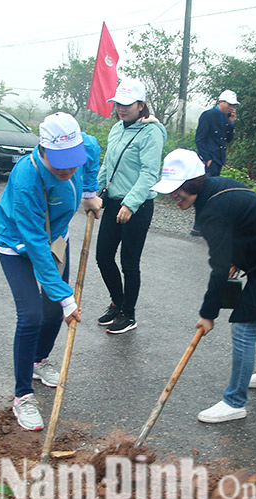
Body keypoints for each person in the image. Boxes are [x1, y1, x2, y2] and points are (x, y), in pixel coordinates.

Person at [153, 149, 256, 422]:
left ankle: (234, 402)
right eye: (170, 190)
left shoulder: (212, 210)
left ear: (192, 183)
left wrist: (208, 315)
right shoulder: (216, 186)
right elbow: (245, 225)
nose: (173, 196)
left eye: (177, 190)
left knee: (244, 324)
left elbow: (218, 269)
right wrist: (235, 257)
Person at [0, 112, 102, 430]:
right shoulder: (27, 179)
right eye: (62, 163)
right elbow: (36, 246)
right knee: (31, 316)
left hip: (56, 237)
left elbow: (91, 155)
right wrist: (66, 297)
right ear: (43, 150)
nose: (70, 169)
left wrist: (90, 193)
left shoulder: (85, 147)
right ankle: (22, 396)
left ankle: (39, 360)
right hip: (19, 244)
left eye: (74, 161)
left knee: (53, 312)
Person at [95, 78, 167, 334]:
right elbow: (107, 165)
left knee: (129, 262)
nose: (121, 109)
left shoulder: (152, 132)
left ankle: (129, 314)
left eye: (127, 104)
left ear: (141, 104)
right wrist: (96, 193)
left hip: (136, 207)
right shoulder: (117, 129)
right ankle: (118, 301)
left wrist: (131, 203)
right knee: (103, 256)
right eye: (118, 104)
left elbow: (149, 174)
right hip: (113, 202)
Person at [191, 89, 239, 236]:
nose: (232, 107)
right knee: (206, 192)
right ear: (221, 102)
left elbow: (228, 140)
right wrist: (207, 158)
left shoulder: (225, 118)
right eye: (229, 104)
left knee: (212, 192)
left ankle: (204, 225)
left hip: (218, 160)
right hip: (209, 161)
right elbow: (200, 138)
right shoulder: (209, 115)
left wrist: (231, 124)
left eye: (233, 105)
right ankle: (198, 226)